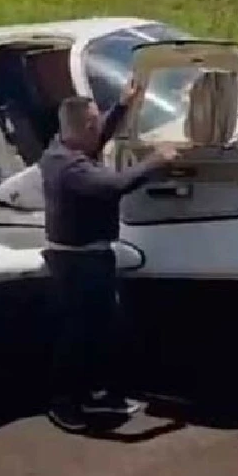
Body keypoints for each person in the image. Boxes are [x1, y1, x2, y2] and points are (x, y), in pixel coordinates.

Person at [38, 82, 179, 432]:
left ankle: (97, 393)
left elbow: (99, 139)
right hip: (76, 262)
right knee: (77, 335)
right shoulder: (68, 167)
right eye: (95, 122)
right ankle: (64, 404)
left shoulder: (65, 148)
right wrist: (155, 160)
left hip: (92, 257)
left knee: (101, 330)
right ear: (83, 128)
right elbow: (113, 186)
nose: (100, 126)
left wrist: (122, 106)